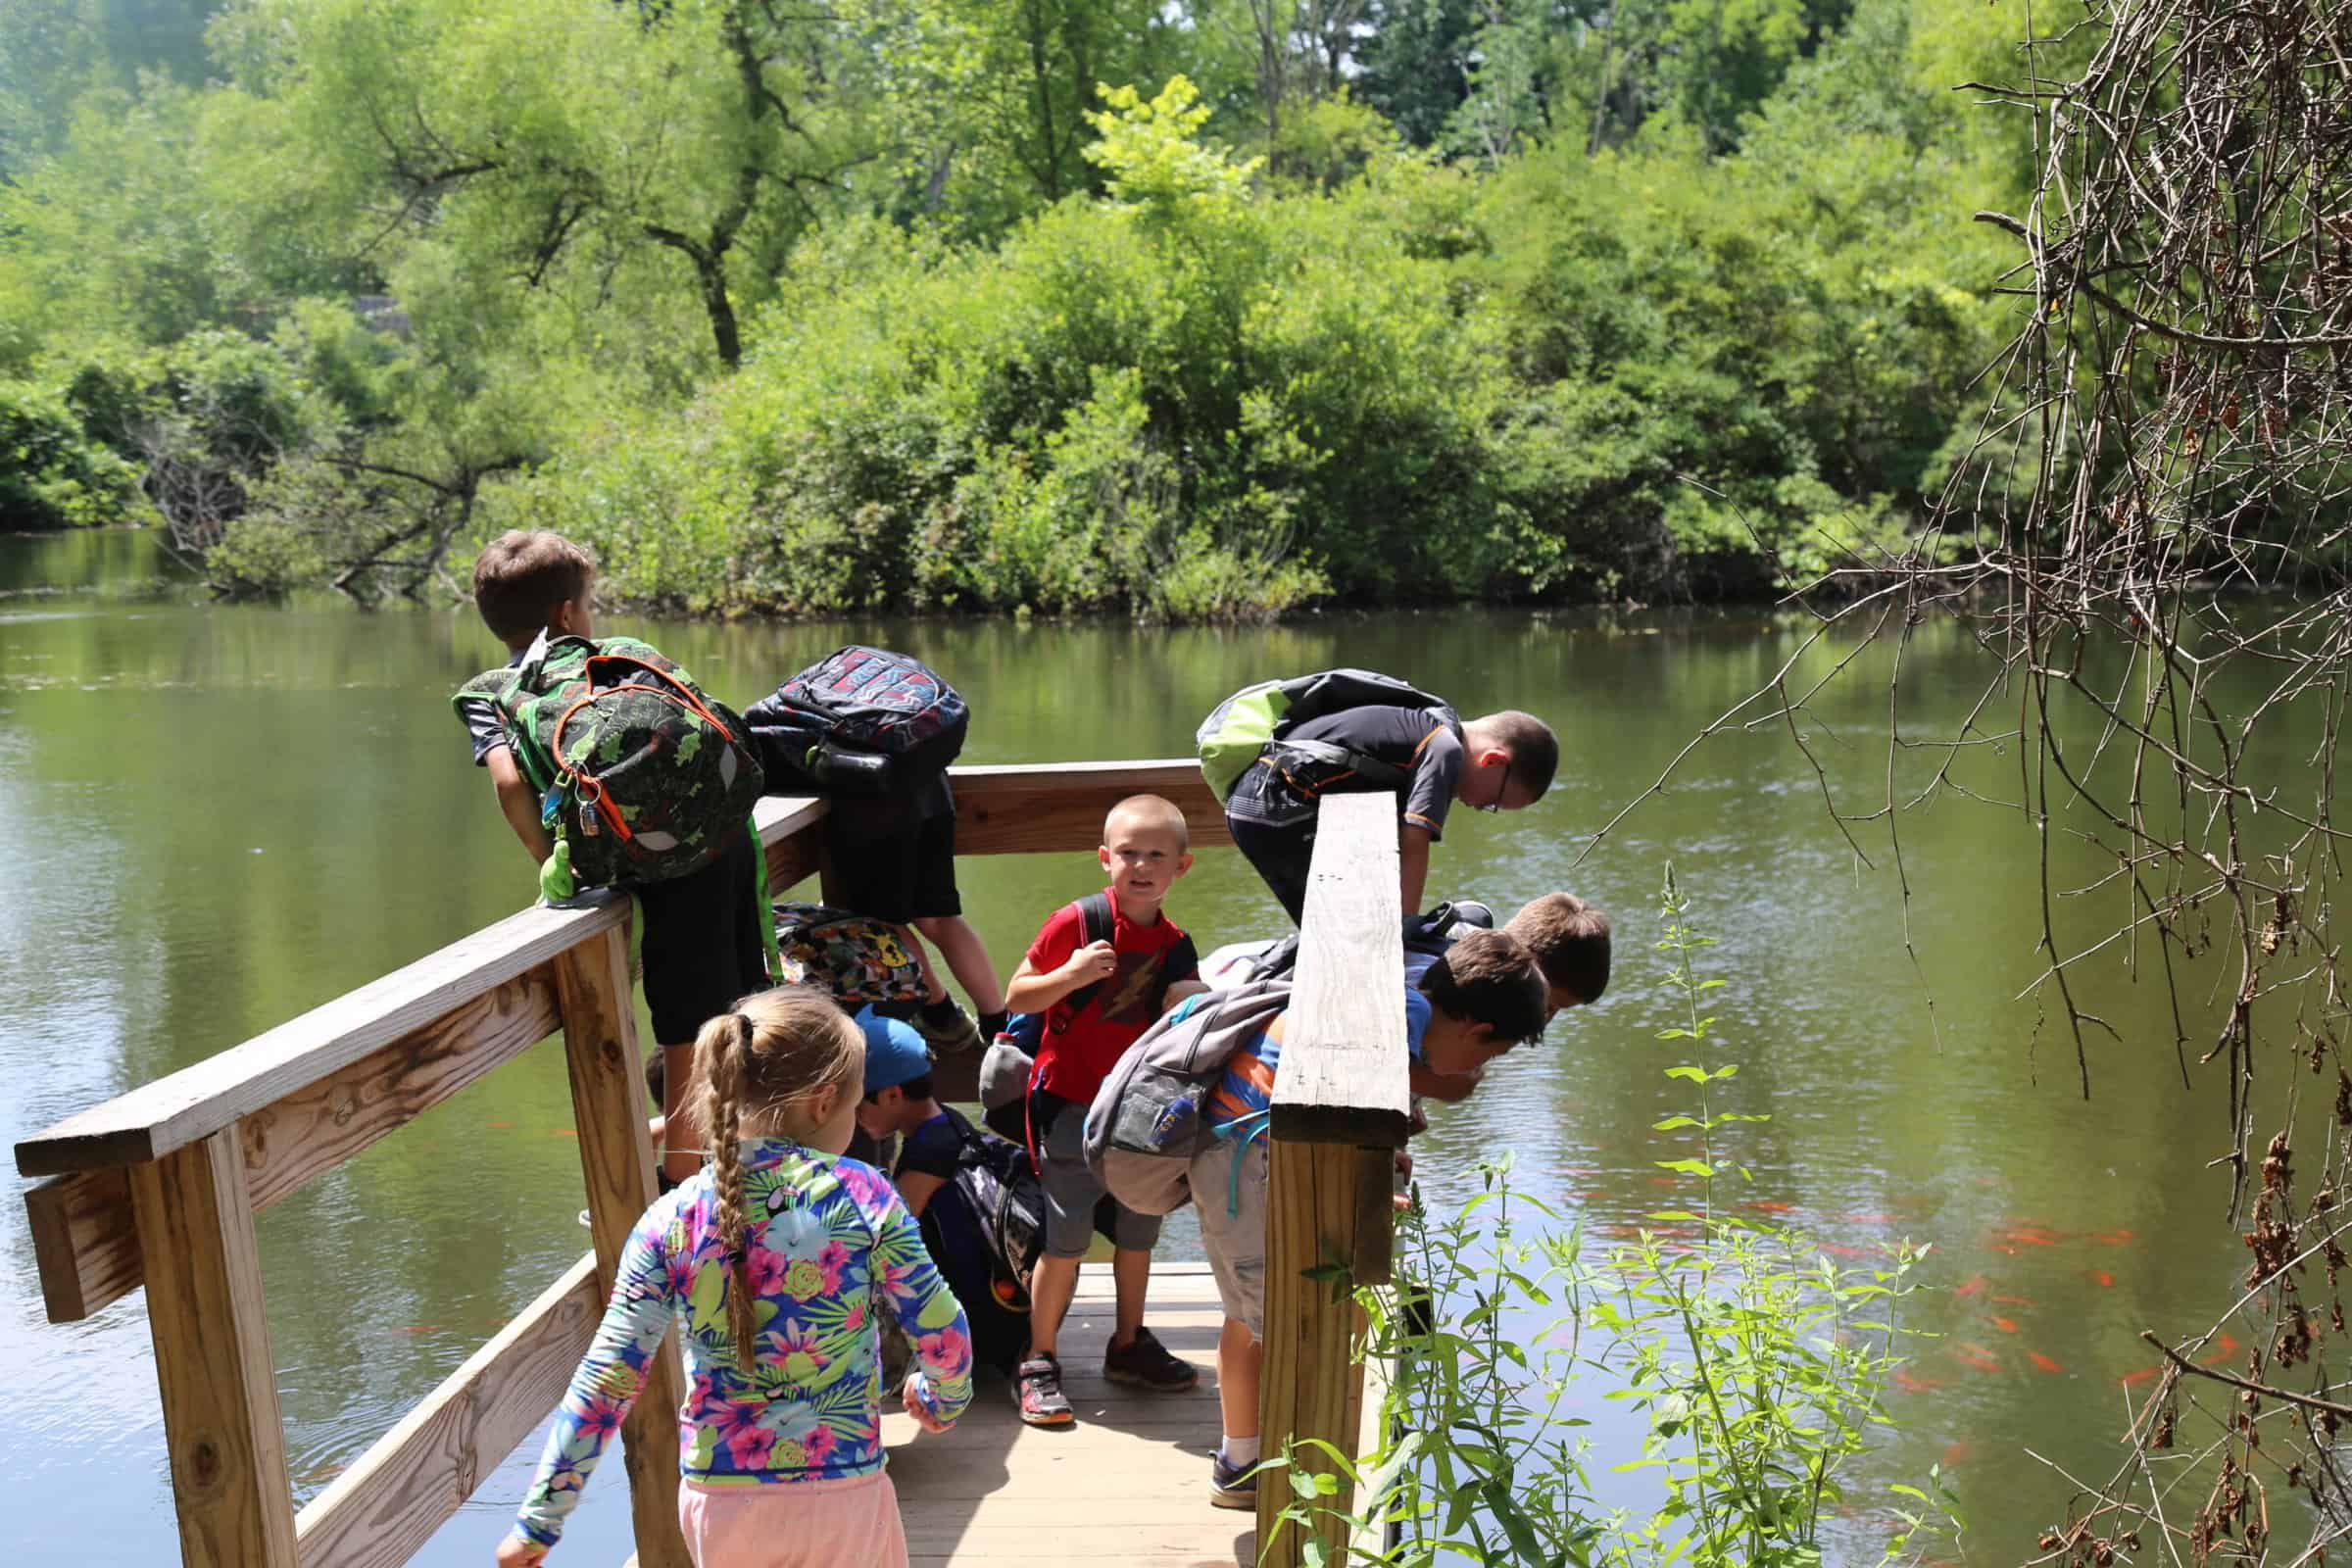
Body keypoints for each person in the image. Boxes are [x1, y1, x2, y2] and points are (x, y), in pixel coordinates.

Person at [497, 988, 973, 1568]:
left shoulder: (670, 1218)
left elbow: (609, 1375)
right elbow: (941, 1326)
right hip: (843, 1493)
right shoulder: (864, 1195)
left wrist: (539, 1521)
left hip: (720, 1500)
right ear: (824, 1103)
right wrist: (942, 1399)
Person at [1186, 929, 1547, 1509]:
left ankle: (1244, 1458)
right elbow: (1349, 1099)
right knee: (1275, 1321)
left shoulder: (1404, 1001)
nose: (1477, 1070)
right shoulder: (1399, 1022)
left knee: (1251, 1313)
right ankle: (1269, 1470)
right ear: (1477, 1030)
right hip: (1247, 1158)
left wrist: (1378, 1159)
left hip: (1235, 1147)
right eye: (1488, 1055)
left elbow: (1349, 1099)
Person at [455, 530, 767, 1190]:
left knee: (686, 1032)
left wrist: (559, 859)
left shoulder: (492, 694)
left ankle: (684, 1188)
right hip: (721, 840)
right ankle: (746, 1161)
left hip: (646, 863)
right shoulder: (624, 657)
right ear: (568, 612)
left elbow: (510, 785)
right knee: (738, 1007)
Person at [999, 794, 1210, 1425]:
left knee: (1139, 1234)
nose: (1141, 866)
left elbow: (1178, 1025)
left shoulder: (1175, 943)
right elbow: (1018, 995)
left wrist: (1194, 1001)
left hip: (1138, 1111)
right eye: (1127, 853)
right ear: (1104, 858)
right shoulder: (1079, 921)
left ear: (1182, 866)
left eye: (1156, 855)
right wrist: (1070, 974)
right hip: (1070, 1103)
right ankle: (1039, 1357)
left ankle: (1128, 1344)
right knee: (1065, 1240)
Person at [1223, 697, 1559, 923]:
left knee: (1343, 930)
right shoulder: (1444, 749)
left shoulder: (1428, 724)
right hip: (1278, 807)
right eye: (1493, 802)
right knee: (1351, 935)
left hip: (1260, 802)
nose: (1479, 807)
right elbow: (1415, 842)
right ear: (1494, 761)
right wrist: (1404, 932)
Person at [855, 1008, 1033, 1376]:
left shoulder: (928, 1156)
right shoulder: (948, 1122)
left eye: (857, 1102)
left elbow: (882, 1245)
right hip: (1003, 1318)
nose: (853, 1115)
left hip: (972, 1334)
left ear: (891, 1095)